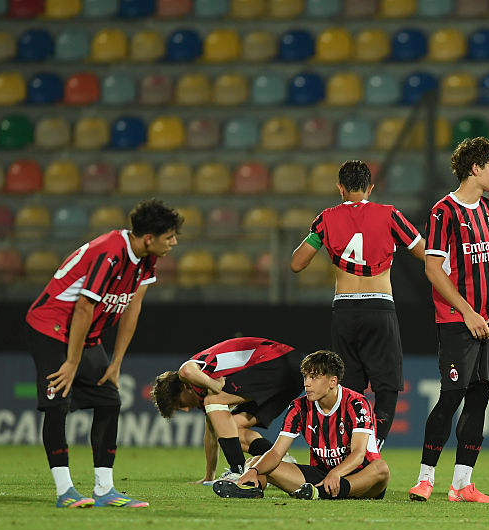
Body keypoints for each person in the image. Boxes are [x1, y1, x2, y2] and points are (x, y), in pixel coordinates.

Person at [25, 199, 181, 508]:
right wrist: (72, 362)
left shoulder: (146, 259)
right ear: (149, 238)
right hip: (51, 328)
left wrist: (116, 362)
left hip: (86, 335)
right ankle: (65, 491)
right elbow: (84, 306)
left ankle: (104, 489)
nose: (174, 243)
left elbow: (132, 307)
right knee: (58, 403)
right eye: (170, 237)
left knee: (109, 400)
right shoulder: (110, 251)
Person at [290, 160, 425, 449]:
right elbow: (423, 252)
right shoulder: (390, 215)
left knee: (349, 386)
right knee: (387, 384)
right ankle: (373, 445)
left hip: (345, 310)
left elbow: (297, 263)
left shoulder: (326, 219)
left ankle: (349, 446)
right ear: (370, 188)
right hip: (380, 306)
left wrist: (317, 235)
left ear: (340, 188)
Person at [408, 137, 489, 504]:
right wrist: (467, 311)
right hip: (457, 320)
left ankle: (463, 484)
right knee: (451, 396)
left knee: (480, 398)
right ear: (475, 168)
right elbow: (433, 269)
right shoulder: (444, 211)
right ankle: (425, 479)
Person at [212, 350, 391, 501]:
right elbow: (276, 453)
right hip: (321, 476)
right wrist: (253, 470)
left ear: (333, 381)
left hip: (360, 477)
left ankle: (322, 493)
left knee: (381, 469)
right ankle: (250, 488)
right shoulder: (299, 407)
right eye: (305, 377)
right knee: (254, 462)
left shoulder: (357, 403)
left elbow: (359, 454)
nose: (306, 383)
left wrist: (336, 474)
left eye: (314, 377)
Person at [151, 337, 304, 483]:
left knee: (213, 400)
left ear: (184, 387)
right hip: (291, 374)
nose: (185, 410)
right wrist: (209, 476)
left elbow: (185, 371)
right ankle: (285, 463)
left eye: (180, 403)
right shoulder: (203, 392)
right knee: (232, 427)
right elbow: (212, 435)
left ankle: (237, 472)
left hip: (276, 360)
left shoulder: (191, 372)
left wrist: (214, 385)